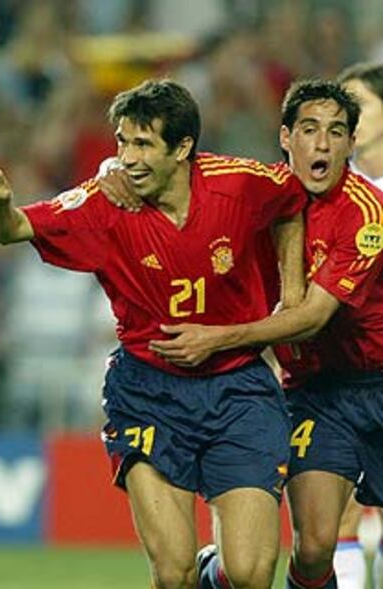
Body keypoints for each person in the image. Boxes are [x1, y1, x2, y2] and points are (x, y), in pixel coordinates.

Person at [0, 79, 307, 589]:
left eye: (144, 144)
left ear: (183, 148)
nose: (127, 158)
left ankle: (211, 570)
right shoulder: (106, 204)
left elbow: (296, 199)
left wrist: (293, 289)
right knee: (172, 576)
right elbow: (10, 229)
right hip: (149, 391)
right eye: (122, 143)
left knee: (250, 574)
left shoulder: (239, 184)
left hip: (239, 387)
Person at [148, 78, 383, 589]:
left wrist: (217, 338)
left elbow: (312, 316)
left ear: (349, 143)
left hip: (379, 379)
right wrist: (113, 171)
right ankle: (218, 574)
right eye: (309, 130)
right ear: (285, 137)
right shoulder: (254, 193)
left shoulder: (366, 214)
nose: (322, 144)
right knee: (317, 546)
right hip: (317, 393)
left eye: (336, 132)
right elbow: (184, 173)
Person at [331, 61, 383, 589]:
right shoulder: (329, 190)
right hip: (337, 370)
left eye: (360, 105)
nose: (347, 119)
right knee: (333, 511)